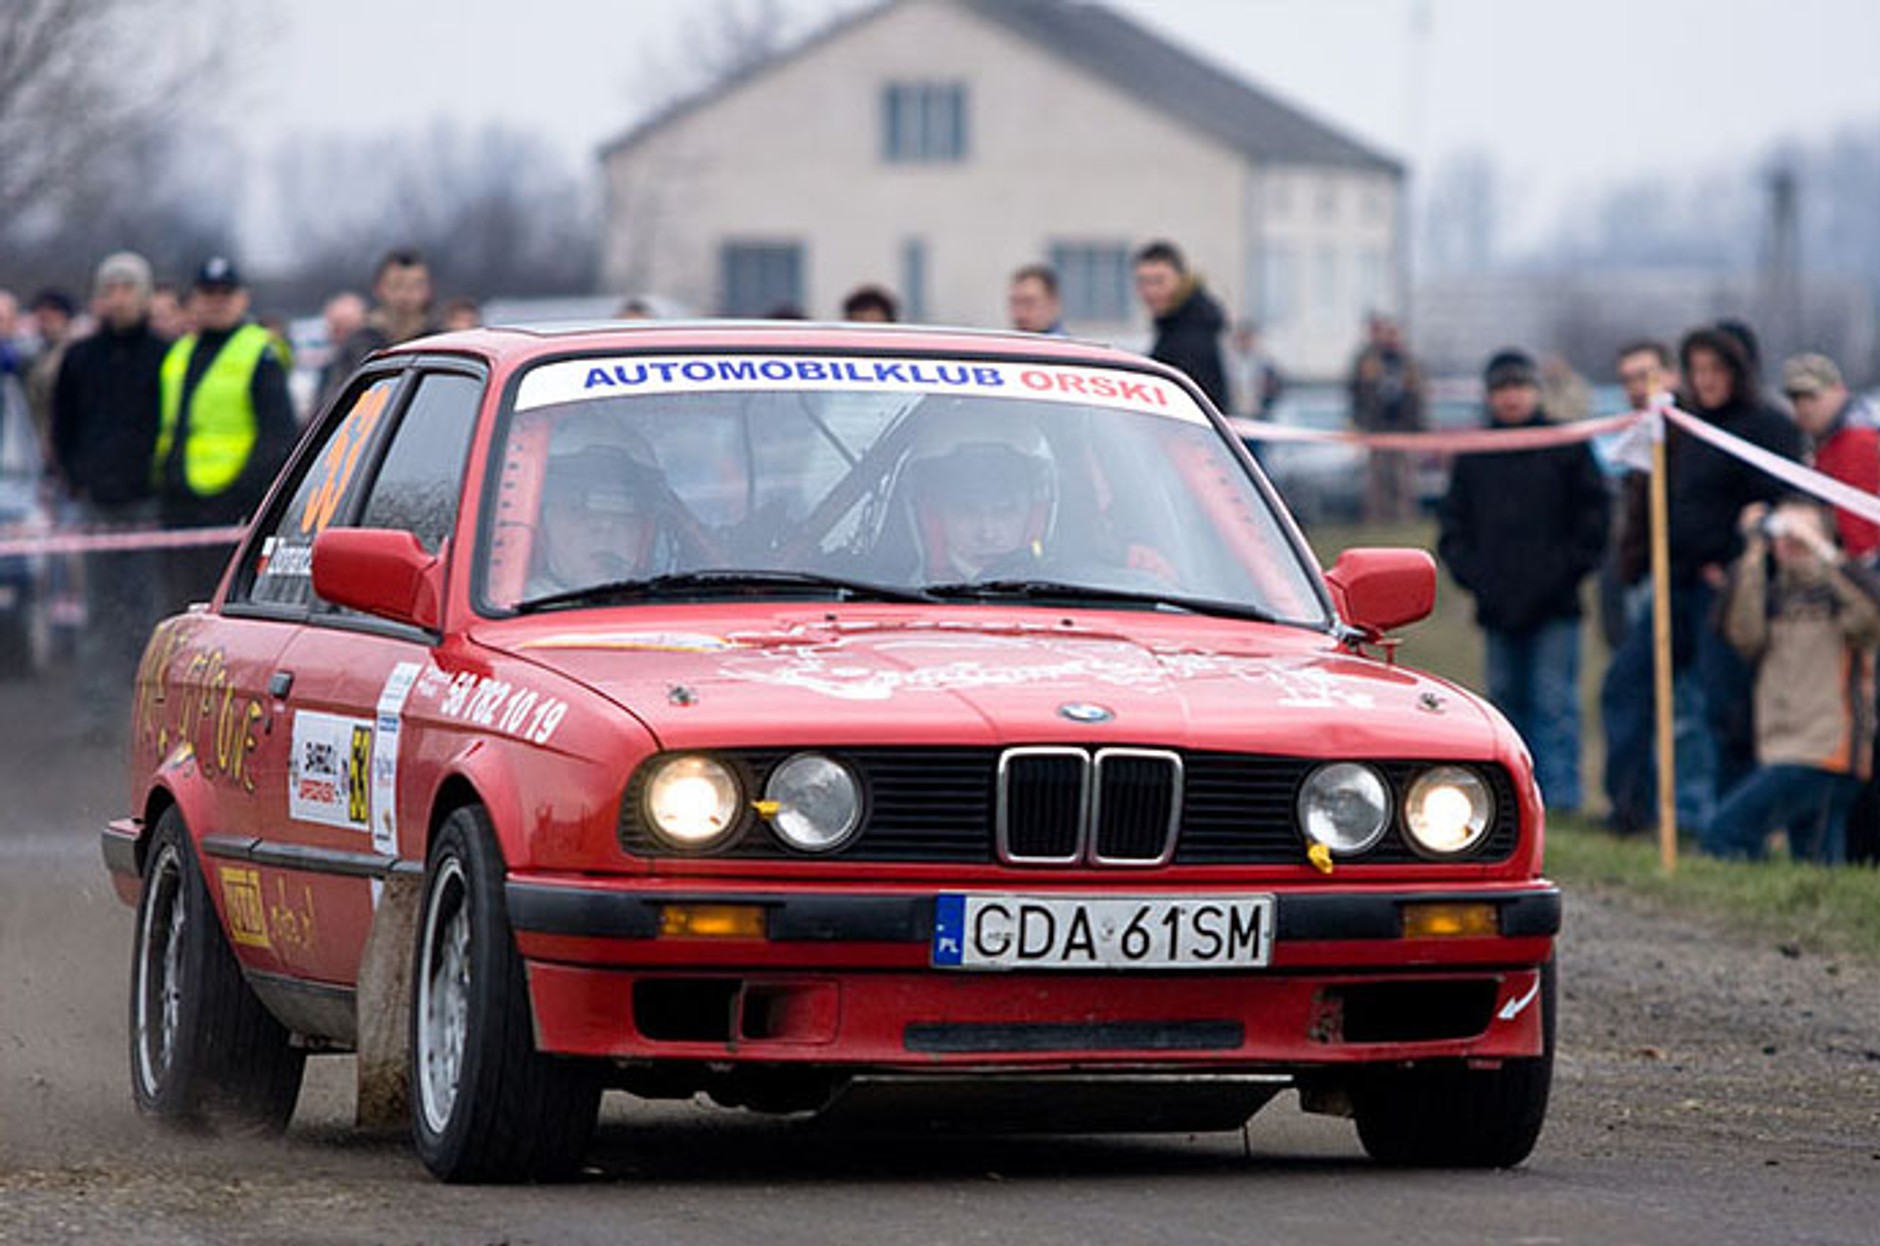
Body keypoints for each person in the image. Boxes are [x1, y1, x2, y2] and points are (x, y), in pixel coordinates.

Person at [1600, 327, 1803, 835]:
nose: (1707, 381)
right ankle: (1632, 810)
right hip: (1674, 583)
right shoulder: (1683, 425)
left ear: (1737, 371)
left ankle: (1728, 826)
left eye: (1716, 370)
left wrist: (1737, 557)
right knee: (1625, 685)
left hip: (1728, 592)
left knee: (1724, 709)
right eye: (1698, 371)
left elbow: (1784, 503)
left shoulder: (1768, 425)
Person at [1437, 349, 1610, 812]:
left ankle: (1562, 800)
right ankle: (1513, 801)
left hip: (1556, 604)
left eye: (1519, 387)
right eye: (1502, 389)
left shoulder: (1566, 445)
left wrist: (1563, 574)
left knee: (1556, 704)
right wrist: (1477, 579)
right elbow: (1453, 528)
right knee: (1505, 704)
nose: (1511, 398)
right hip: (1497, 605)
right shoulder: (1475, 455)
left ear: (1535, 391)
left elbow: (1594, 522)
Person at [1701, 498, 1880, 864]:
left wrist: (1823, 552)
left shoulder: (1842, 595)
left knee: (1726, 832)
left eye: (1801, 532)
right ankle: (1803, 914)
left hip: (1828, 750)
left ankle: (1739, 913)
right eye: (1784, 533)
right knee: (1816, 864)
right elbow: (1742, 633)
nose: (1790, 541)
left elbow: (1871, 615)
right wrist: (1754, 549)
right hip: (1780, 747)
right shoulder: (1772, 594)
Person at [48, 252, 170, 737]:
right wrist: (76, 477)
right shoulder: (79, 358)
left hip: (147, 501)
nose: (118, 299)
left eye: (128, 289)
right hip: (96, 501)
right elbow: (62, 426)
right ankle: (98, 711)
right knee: (96, 610)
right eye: (111, 289)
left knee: (147, 612)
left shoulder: (165, 355)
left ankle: (146, 711)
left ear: (144, 296)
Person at [152, 256, 297, 613]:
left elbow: (278, 435)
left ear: (242, 299)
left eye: (224, 293)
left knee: (219, 609)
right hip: (181, 504)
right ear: (194, 300)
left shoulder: (259, 351)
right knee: (179, 607)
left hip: (231, 507)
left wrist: (244, 488)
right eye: (207, 293)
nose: (216, 302)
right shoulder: (180, 352)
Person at [898, 420, 1055, 582]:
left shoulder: (1074, 590)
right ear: (933, 516)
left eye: (1005, 511)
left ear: (1035, 514)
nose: (987, 534)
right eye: (966, 511)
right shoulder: (890, 598)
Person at [526, 431, 672, 598]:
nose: (604, 526)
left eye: (624, 514)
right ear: (543, 527)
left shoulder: (678, 606)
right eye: (578, 510)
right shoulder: (515, 611)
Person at [1780, 353, 1879, 561]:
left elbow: (1860, 523)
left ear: (1838, 391)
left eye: (1811, 397)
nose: (1803, 407)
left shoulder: (1857, 440)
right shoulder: (1822, 443)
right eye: (1796, 399)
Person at [321, 249, 439, 405]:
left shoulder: (439, 343)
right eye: (397, 285)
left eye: (415, 286)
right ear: (379, 288)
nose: (406, 295)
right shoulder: (360, 343)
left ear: (428, 290)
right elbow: (334, 404)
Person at [1132, 239, 1228, 411]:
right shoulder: (1176, 326)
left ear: (1181, 280)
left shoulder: (1192, 335)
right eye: (1143, 282)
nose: (1150, 291)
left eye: (1159, 281)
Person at [1347, 312, 1425, 523]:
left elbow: (1419, 396)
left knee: (1402, 479)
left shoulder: (1409, 363)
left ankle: (1402, 518)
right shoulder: (1367, 361)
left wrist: (1418, 426)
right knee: (1377, 478)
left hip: (1403, 427)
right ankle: (1377, 519)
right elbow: (1356, 392)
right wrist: (1359, 421)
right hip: (1376, 427)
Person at [314, 291, 367, 407]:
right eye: (335, 328)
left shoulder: (368, 366)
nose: (340, 335)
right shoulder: (329, 366)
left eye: (347, 329)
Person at [1229, 320, 1285, 419]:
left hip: (1260, 413)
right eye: (1241, 339)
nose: (1244, 342)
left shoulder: (1264, 363)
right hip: (1235, 413)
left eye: (1247, 338)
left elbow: (1275, 388)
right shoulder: (1229, 362)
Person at [1007, 264, 1064, 335]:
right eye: (1016, 303)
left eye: (1029, 303)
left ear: (1053, 305)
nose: (1021, 313)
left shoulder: (1065, 345)